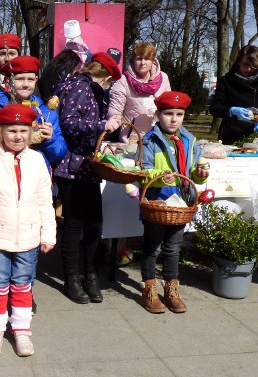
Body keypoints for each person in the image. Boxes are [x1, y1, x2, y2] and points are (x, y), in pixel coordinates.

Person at [0, 104, 56, 357]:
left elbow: (44, 200)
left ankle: (21, 330)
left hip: (28, 236)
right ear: (1, 131)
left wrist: (48, 234)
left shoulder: (37, 160)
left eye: (23, 131)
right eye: (12, 130)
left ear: (31, 132)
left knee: (23, 284)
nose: (18, 136)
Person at [52, 52, 121, 304]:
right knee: (75, 224)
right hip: (72, 166)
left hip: (86, 165)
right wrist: (101, 125)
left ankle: (90, 274)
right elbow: (68, 123)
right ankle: (72, 278)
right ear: (103, 75)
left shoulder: (88, 88)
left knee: (95, 222)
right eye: (110, 80)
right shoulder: (80, 87)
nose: (109, 86)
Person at [138, 91, 210, 313]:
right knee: (152, 247)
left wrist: (200, 174)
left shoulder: (189, 140)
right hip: (157, 203)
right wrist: (160, 175)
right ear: (158, 114)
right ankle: (149, 289)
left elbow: (193, 174)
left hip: (181, 206)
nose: (174, 119)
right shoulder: (149, 140)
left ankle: (171, 288)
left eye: (179, 114)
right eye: (168, 113)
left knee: (173, 248)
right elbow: (141, 170)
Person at [107, 42, 172, 266]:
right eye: (137, 59)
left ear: (153, 60)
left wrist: (161, 113)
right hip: (132, 143)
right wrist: (113, 120)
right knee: (128, 195)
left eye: (146, 58)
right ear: (132, 61)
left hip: (158, 142)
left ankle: (155, 246)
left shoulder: (163, 78)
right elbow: (115, 110)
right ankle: (121, 244)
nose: (142, 63)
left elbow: (169, 105)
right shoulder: (123, 82)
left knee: (156, 192)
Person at [0, 55, 68, 167]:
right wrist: (3, 140)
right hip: (2, 174)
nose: (26, 85)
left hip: (36, 176)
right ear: (9, 81)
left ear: (36, 80)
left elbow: (59, 154)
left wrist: (51, 139)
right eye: (20, 79)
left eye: (30, 79)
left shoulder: (46, 114)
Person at [209, 45, 258, 145]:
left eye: (253, 66)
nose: (249, 69)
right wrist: (232, 111)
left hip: (255, 136)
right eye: (246, 65)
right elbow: (215, 107)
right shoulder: (226, 81)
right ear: (238, 62)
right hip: (230, 134)